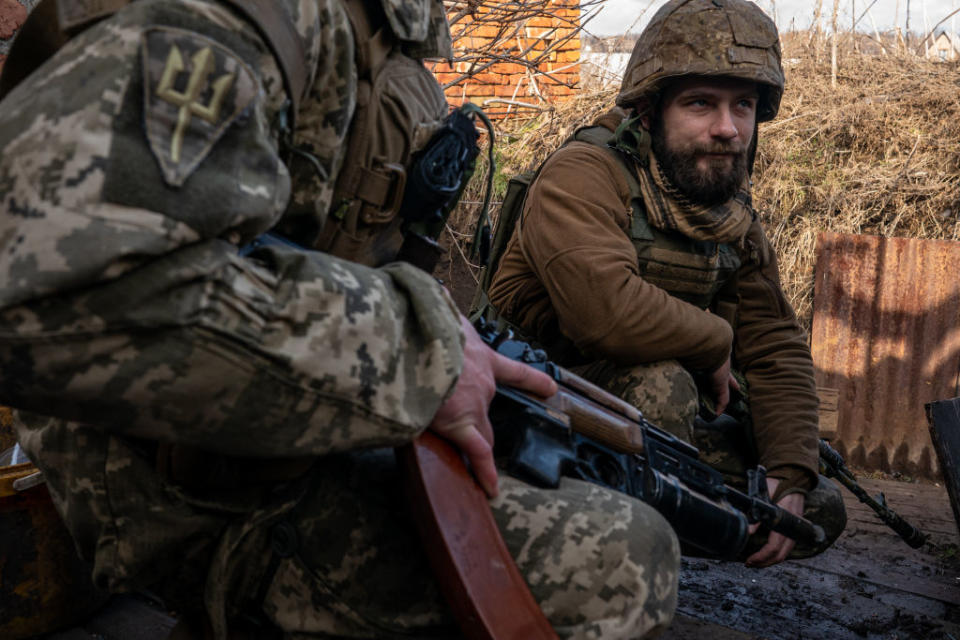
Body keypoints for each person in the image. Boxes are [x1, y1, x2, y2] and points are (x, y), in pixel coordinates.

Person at [0, 1, 680, 638]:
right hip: (195, 494)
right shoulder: (247, 15)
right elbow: (57, 285)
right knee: (624, 557)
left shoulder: (377, 25)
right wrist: (418, 353)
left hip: (293, 431)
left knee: (588, 465)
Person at [488, 0, 846, 568]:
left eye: (743, 106)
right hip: (527, 404)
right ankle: (576, 558)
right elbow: (605, 312)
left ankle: (646, 543)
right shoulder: (584, 175)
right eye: (701, 103)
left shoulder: (730, 215)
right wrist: (714, 340)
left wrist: (789, 471)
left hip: (647, 426)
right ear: (651, 111)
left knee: (812, 510)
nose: (727, 129)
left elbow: (776, 347)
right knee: (663, 384)